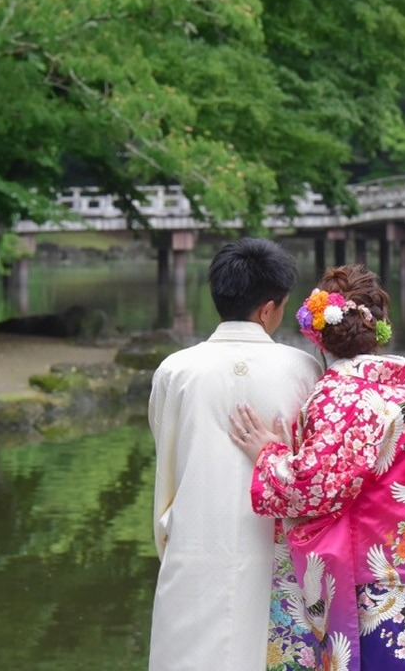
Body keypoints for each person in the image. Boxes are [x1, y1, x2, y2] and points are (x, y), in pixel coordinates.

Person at [230, 264, 405, 670]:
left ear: (317, 333)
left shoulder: (343, 395)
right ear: (381, 328)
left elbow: (313, 488)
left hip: (383, 592)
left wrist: (270, 454)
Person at [148, 237, 323, 671]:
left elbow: (167, 447)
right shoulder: (303, 369)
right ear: (268, 308)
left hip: (195, 539)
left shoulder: (176, 369)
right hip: (274, 547)